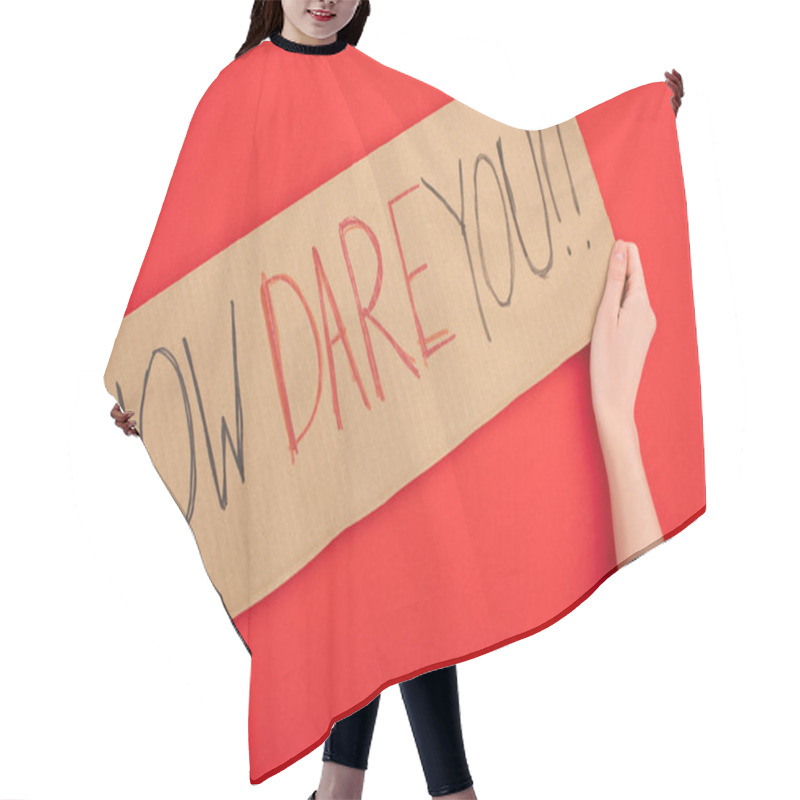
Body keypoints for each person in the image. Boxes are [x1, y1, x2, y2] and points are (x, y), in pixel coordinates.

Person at [109, 2, 684, 798]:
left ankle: (355, 787)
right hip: (303, 413)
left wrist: (636, 123)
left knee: (407, 577)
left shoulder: (375, 87)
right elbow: (195, 250)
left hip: (390, 393)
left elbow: (487, 184)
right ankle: (423, 790)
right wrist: (151, 383)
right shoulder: (233, 97)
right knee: (371, 584)